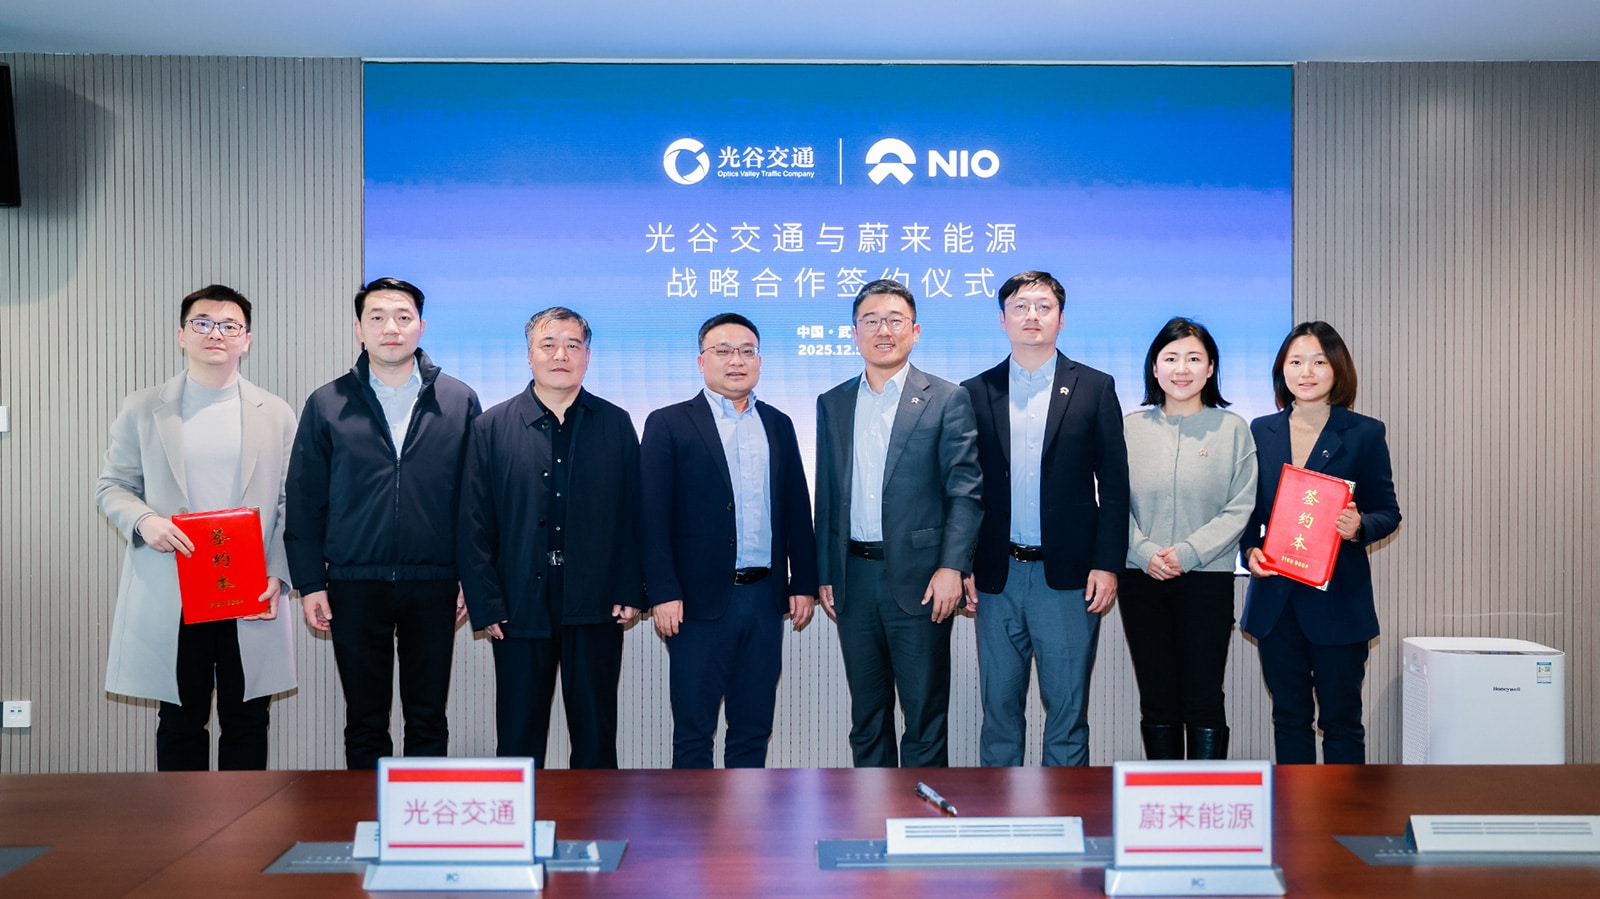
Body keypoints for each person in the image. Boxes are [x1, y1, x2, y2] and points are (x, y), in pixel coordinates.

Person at [96, 284, 297, 770]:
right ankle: (180, 818)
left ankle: (244, 819)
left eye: (229, 326)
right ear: (181, 335)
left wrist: (279, 574)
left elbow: (291, 503)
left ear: (247, 339)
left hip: (250, 591)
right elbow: (112, 486)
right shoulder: (144, 407)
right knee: (180, 720)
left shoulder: (275, 412)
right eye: (202, 323)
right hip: (176, 588)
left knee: (248, 720)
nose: (215, 334)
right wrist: (144, 520)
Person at [285, 277, 481, 770]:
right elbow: (304, 500)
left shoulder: (458, 400)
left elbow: (477, 501)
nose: (390, 327)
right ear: (359, 329)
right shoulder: (327, 403)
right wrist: (311, 583)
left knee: (428, 717)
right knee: (365, 720)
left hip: (434, 581)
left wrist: (472, 577)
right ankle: (367, 814)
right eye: (377, 317)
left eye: (403, 317)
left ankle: (422, 817)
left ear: (421, 326)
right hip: (353, 582)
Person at [457, 307, 644, 768]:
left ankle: (596, 816)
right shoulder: (491, 427)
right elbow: (473, 522)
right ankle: (519, 817)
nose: (561, 355)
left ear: (587, 356)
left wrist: (630, 589)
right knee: (518, 736)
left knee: (596, 736)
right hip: (518, 605)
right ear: (529, 355)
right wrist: (487, 604)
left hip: (597, 602)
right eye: (549, 344)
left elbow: (634, 515)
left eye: (572, 345)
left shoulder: (616, 423)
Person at [961, 270, 1129, 767]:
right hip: (997, 576)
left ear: (1060, 318)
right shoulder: (974, 391)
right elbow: (962, 490)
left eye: (1043, 306)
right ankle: (1000, 809)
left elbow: (1114, 485)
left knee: (1067, 713)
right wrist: (961, 563)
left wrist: (1107, 564)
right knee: (999, 711)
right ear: (1003, 319)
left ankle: (1064, 810)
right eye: (1020, 306)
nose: (1031, 315)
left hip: (1069, 578)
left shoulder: (1095, 387)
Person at [814, 279, 982, 768]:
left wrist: (952, 567)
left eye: (894, 320)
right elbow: (827, 495)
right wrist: (826, 571)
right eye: (871, 321)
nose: (883, 331)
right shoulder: (833, 402)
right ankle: (872, 811)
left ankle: (920, 814)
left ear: (915, 330)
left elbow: (966, 491)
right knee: (867, 717)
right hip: (853, 578)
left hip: (923, 579)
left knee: (924, 716)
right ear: (854, 333)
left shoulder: (947, 398)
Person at [640, 313, 818, 768]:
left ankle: (747, 815)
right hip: (695, 604)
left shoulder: (778, 423)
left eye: (746, 351)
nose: (736, 360)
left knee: (753, 728)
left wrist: (803, 583)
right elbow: (652, 516)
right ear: (702, 361)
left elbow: (797, 508)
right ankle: (693, 816)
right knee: (694, 732)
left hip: (764, 599)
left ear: (759, 360)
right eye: (723, 351)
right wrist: (662, 592)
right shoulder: (668, 423)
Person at [1241, 320, 1401, 764]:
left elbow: (1388, 511)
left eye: (1318, 362)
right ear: (1282, 370)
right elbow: (1247, 512)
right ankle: (1296, 809)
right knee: (1289, 718)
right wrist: (1249, 551)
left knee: (1342, 721)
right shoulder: (1260, 430)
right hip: (1276, 603)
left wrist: (1359, 526)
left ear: (1337, 369)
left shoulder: (1364, 432)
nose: (1306, 372)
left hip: (1339, 603)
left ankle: (1343, 810)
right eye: (1295, 362)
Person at [1120, 317, 1257, 760]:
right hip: (1141, 578)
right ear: (1154, 367)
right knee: (1156, 697)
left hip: (1207, 580)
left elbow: (1240, 506)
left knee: (1204, 696)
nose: (1182, 369)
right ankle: (1162, 795)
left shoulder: (1232, 429)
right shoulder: (1128, 427)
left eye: (1194, 358)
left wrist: (1188, 553)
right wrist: (1143, 552)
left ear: (1211, 368)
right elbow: (1109, 502)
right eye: (1171, 358)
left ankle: (1206, 796)